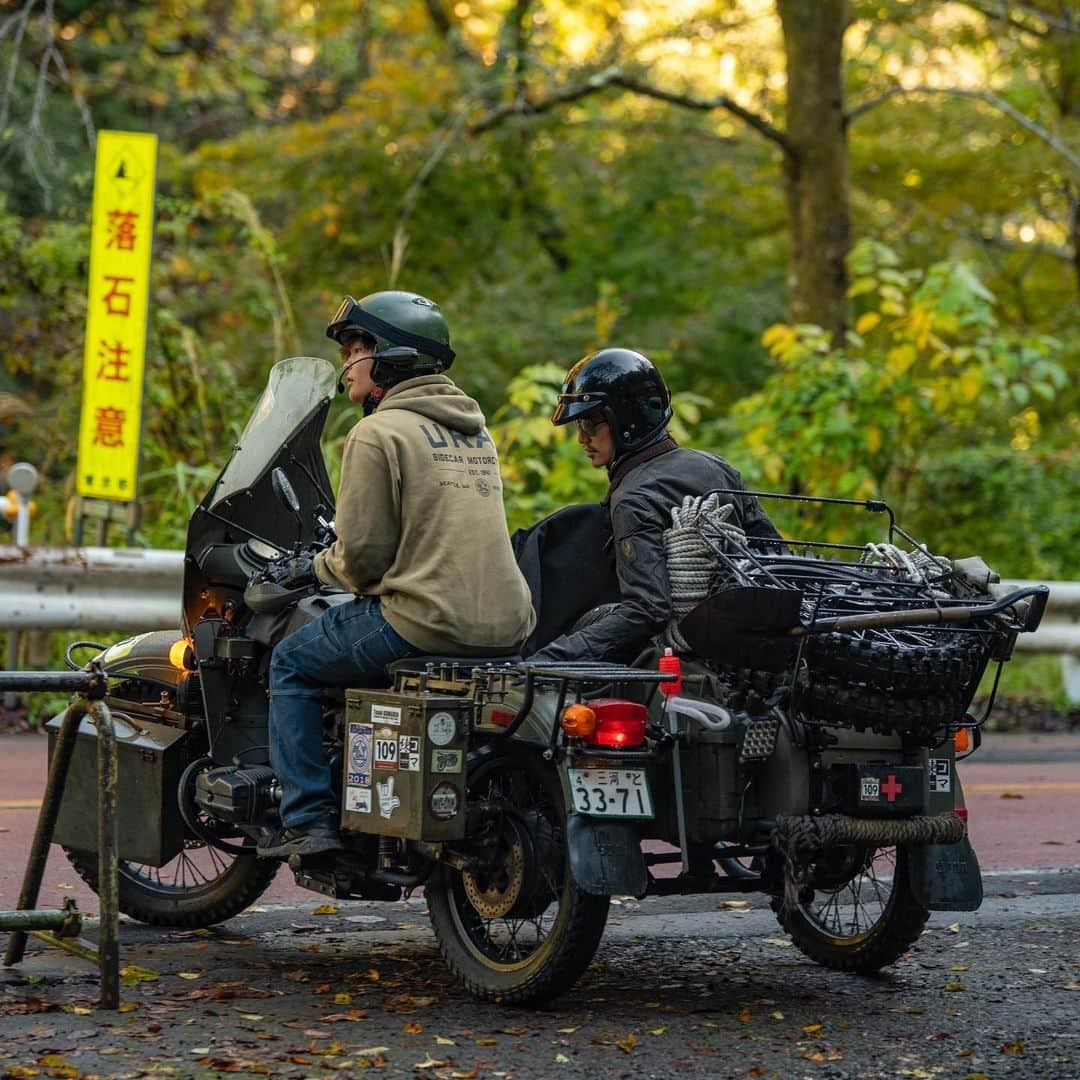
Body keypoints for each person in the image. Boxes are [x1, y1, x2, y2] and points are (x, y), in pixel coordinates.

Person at [258, 290, 536, 858]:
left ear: (386, 358)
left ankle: (307, 821)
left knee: (290, 663)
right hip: (509, 624)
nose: (346, 364)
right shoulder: (474, 433)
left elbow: (361, 562)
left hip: (424, 619)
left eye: (355, 349)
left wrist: (311, 569)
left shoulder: (378, 433)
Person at [529, 347, 782, 664]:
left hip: (686, 658)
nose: (582, 438)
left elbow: (648, 610)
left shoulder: (633, 498)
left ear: (623, 420)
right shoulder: (716, 467)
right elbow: (775, 558)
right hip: (750, 647)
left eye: (590, 425)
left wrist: (552, 656)